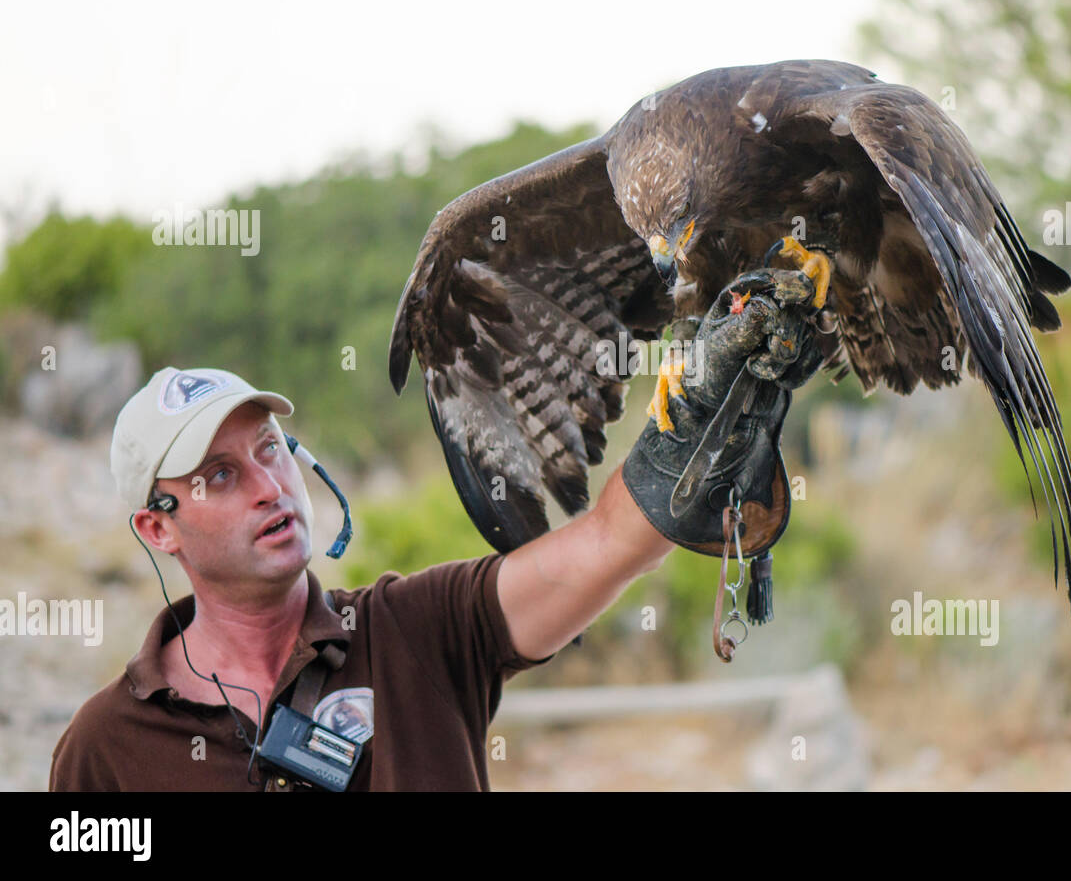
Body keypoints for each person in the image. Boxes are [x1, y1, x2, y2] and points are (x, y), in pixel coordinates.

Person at [48, 270, 821, 791]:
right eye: (220, 475)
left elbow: (609, 543)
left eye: (270, 449)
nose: (267, 486)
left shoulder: (417, 631)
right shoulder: (106, 747)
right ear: (158, 528)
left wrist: (696, 409)